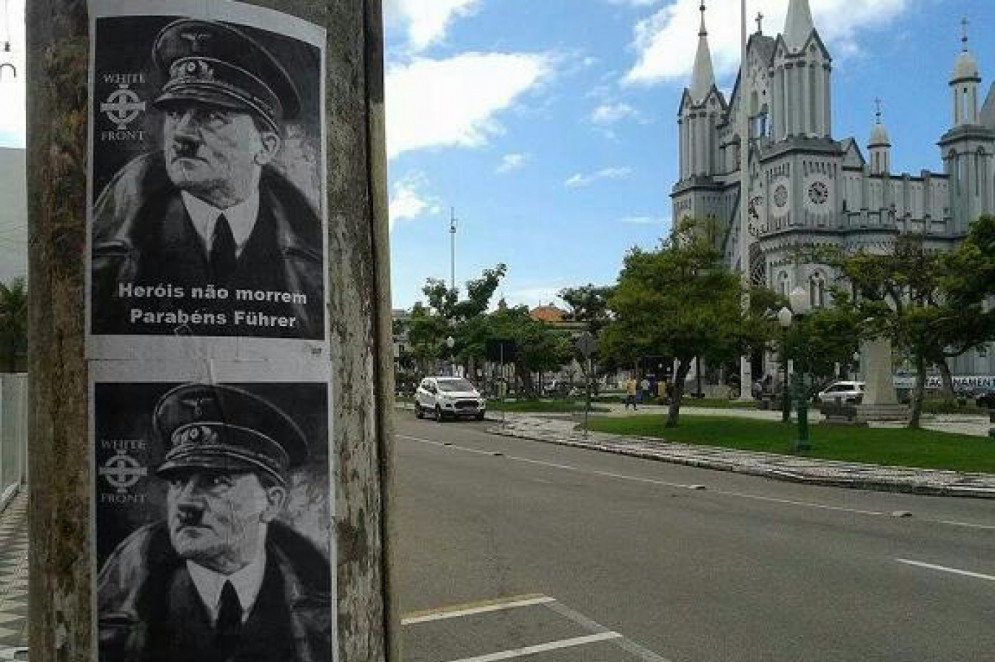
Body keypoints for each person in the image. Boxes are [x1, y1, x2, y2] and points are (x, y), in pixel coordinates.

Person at [91, 18, 323, 338]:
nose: (182, 134)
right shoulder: (114, 252)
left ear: (266, 146)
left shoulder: (312, 262)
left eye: (212, 116)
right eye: (175, 113)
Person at [97, 384, 331, 662]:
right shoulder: (120, 606)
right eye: (178, 481)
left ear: (272, 502)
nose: (185, 503)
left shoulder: (319, 597)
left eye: (217, 481)